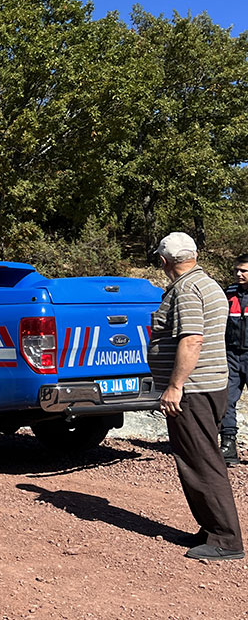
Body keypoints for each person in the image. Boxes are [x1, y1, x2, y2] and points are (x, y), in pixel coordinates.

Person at [148, 232, 243, 560]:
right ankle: (211, 527)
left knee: (200, 461)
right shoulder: (209, 284)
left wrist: (175, 386)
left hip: (194, 390)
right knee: (203, 457)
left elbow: (192, 340)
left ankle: (224, 538)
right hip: (209, 385)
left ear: (164, 261)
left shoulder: (186, 289)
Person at [221, 254, 248, 466]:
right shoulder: (229, 293)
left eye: (244, 271)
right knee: (227, 400)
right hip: (231, 355)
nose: (239, 274)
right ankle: (228, 446)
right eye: (237, 270)